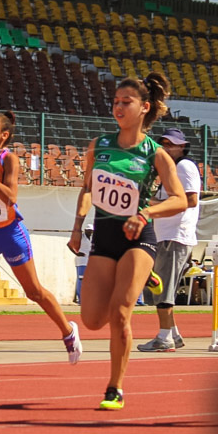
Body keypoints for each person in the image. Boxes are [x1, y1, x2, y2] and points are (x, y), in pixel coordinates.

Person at [67, 74, 188, 410]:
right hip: (104, 237)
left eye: (126, 102)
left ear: (144, 107)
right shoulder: (100, 145)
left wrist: (146, 213)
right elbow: (88, 189)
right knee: (91, 319)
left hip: (138, 238)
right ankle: (140, 277)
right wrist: (77, 226)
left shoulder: (156, 154)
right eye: (116, 101)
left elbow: (180, 199)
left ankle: (114, 388)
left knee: (121, 312)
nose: (118, 106)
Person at [0, 111, 82, 363]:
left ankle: (67, 331)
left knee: (34, 292)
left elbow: (10, 197)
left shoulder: (8, 158)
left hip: (9, 233)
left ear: (4, 135)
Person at [137, 128, 201, 352]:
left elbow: (190, 200)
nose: (166, 147)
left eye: (172, 144)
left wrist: (150, 206)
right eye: (163, 143)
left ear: (183, 146)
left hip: (174, 235)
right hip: (169, 235)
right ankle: (173, 333)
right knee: (164, 287)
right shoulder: (172, 169)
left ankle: (164, 338)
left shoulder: (183, 167)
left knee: (162, 288)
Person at [73, 223, 93, 303]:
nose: (90, 232)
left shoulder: (92, 238)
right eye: (88, 230)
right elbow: (69, 244)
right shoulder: (81, 237)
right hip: (81, 260)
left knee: (87, 280)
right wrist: (76, 253)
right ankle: (80, 298)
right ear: (85, 230)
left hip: (88, 261)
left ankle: (84, 298)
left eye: (91, 231)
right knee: (81, 279)